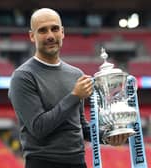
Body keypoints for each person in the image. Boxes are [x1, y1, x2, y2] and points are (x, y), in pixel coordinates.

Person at [8, 8, 129, 168]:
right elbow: (39, 128)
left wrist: (107, 137)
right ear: (32, 36)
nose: (50, 35)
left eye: (55, 29)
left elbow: (79, 126)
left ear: (62, 32)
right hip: (43, 163)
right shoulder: (23, 76)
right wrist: (74, 96)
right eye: (43, 30)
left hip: (78, 162)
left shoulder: (75, 74)